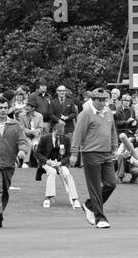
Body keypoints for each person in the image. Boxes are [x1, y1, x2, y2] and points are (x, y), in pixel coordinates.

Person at [70, 88, 118, 229]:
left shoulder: (108, 112)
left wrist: (114, 148)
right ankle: (100, 218)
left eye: (104, 100)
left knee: (111, 184)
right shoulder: (86, 113)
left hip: (107, 153)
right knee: (95, 187)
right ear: (93, 100)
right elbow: (78, 134)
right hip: (90, 153)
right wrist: (74, 153)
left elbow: (112, 131)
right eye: (99, 100)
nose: (102, 103)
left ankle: (89, 205)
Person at [0, 97, 28, 228]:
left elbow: (22, 141)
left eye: (5, 108)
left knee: (4, 191)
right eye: (0, 108)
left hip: (9, 164)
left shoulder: (15, 125)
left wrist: (22, 151)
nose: (3, 110)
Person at [35, 123, 81, 208]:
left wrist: (60, 163)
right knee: (52, 172)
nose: (59, 136)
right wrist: (47, 161)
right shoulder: (44, 138)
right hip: (47, 163)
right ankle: (47, 198)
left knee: (67, 174)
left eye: (61, 134)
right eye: (57, 134)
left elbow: (68, 154)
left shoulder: (66, 139)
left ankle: (75, 199)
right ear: (53, 130)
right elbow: (37, 153)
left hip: (60, 163)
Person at [18, 98, 44, 168]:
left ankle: (41, 164)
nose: (26, 107)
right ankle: (25, 162)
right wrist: (31, 132)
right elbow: (21, 128)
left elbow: (41, 127)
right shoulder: (21, 115)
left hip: (36, 136)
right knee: (29, 144)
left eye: (28, 106)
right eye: (26, 106)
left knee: (37, 145)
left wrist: (37, 132)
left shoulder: (39, 116)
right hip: (25, 135)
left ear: (33, 108)